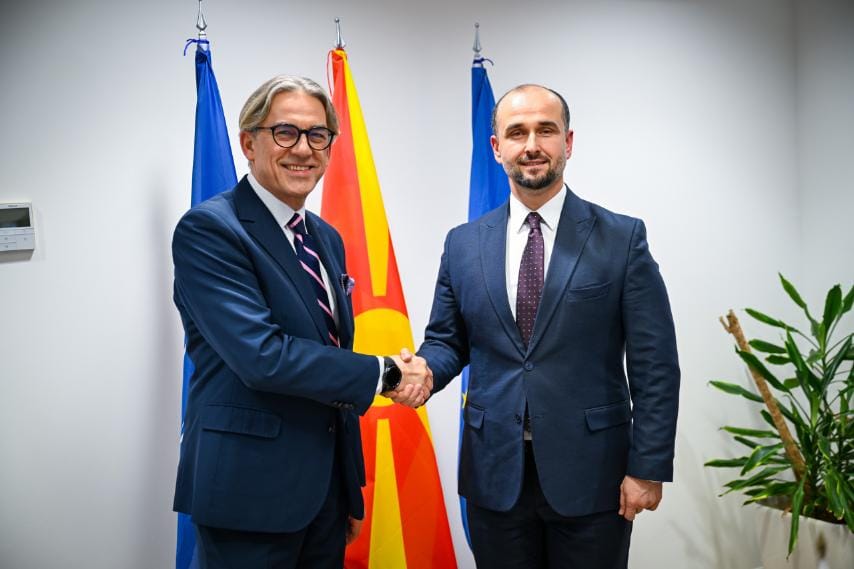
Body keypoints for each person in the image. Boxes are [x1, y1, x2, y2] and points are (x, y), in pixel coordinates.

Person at [414, 84, 680, 568]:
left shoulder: (622, 239)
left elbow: (655, 364)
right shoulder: (462, 244)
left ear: (568, 142)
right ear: (497, 147)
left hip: (594, 475)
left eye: (546, 130)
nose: (532, 145)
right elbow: (447, 341)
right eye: (517, 132)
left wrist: (648, 467)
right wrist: (424, 372)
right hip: (495, 475)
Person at [171, 75, 431, 569]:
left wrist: (348, 488)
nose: (304, 149)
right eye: (285, 132)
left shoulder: (325, 237)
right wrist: (388, 373)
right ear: (249, 143)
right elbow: (263, 357)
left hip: (324, 496)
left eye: (318, 135)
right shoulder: (210, 229)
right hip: (247, 497)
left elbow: (329, 357)